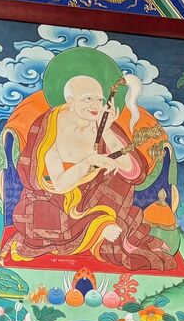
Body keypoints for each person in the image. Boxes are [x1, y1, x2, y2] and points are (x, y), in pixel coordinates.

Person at [9, 74, 175, 271]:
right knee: (34, 216)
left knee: (118, 181)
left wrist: (107, 131)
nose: (95, 105)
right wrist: (89, 161)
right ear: (71, 102)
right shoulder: (51, 126)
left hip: (94, 198)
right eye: (88, 98)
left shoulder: (102, 123)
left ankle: (99, 226)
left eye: (99, 99)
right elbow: (59, 185)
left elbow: (133, 173)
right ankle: (99, 226)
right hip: (53, 197)